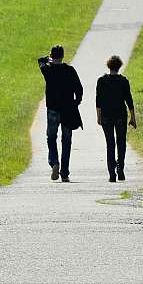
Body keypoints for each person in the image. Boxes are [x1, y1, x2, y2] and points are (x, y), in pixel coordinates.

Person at [38, 45, 83, 183]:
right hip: (68, 109)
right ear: (63, 56)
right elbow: (79, 89)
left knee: (51, 137)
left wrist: (48, 58)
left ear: (52, 55)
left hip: (52, 109)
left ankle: (54, 162)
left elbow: (40, 60)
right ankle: (64, 172)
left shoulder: (48, 70)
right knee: (67, 141)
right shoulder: (69, 70)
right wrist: (76, 102)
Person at [96, 55, 136, 182]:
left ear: (108, 66)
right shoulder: (123, 81)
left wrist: (99, 117)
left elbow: (98, 101)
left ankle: (111, 173)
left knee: (110, 143)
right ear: (119, 66)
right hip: (120, 115)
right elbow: (129, 100)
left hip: (106, 115)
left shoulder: (101, 81)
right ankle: (120, 168)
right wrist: (133, 117)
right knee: (121, 142)